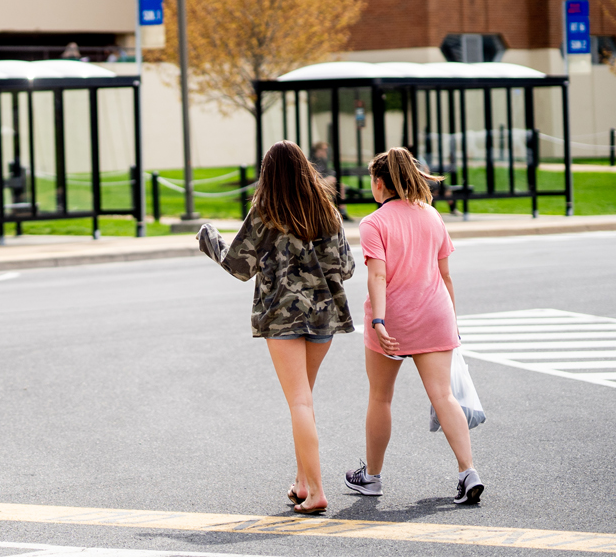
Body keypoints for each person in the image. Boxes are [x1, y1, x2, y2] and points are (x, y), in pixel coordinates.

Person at [197, 140, 354, 514]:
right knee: (304, 401)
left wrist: (208, 238)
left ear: (268, 174)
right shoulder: (327, 211)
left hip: (282, 317)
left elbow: (239, 266)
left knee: (299, 401)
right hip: (324, 315)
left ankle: (317, 491)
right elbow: (346, 268)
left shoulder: (265, 213)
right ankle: (302, 483)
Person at [345, 148, 483, 505]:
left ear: (379, 183)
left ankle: (372, 478)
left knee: (380, 397)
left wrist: (378, 320)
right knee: (444, 395)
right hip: (436, 315)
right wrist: (453, 323)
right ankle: (468, 472)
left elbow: (378, 275)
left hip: (393, 319)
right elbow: (445, 275)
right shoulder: (432, 215)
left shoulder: (373, 223)